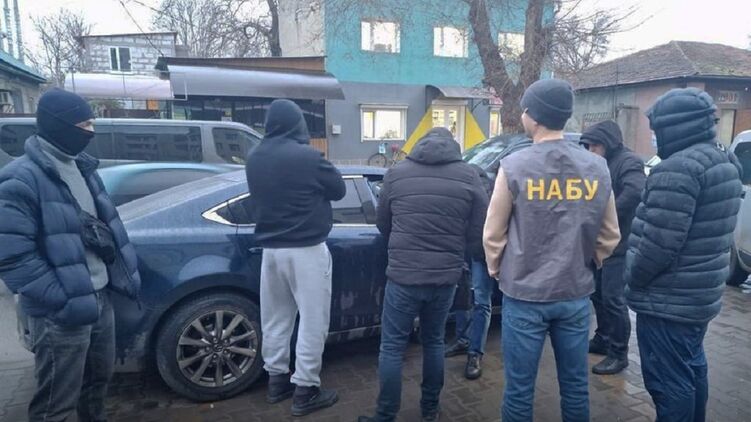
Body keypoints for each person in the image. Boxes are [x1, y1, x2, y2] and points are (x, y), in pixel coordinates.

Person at [483, 79, 621, 421]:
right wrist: (588, 263)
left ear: (534, 116)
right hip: (575, 292)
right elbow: (609, 234)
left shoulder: (514, 165)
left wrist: (499, 270)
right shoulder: (597, 166)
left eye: (524, 109)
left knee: (519, 390)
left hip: (524, 294)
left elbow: (493, 234)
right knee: (575, 386)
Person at [0, 88, 141, 422]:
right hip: (60, 313)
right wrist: (61, 299)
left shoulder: (83, 168)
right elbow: (12, 256)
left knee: (97, 387)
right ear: (58, 125)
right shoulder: (21, 178)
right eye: (84, 124)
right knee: (56, 404)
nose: (90, 131)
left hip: (100, 300)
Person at [625, 88, 742, 422]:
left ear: (674, 127)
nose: (654, 137)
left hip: (668, 301)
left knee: (668, 383)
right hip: (698, 296)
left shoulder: (677, 169)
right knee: (691, 369)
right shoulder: (723, 160)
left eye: (656, 129)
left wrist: (633, 275)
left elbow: (658, 245)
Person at [358, 127, 488, 422]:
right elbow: (478, 228)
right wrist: (458, 251)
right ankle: (430, 410)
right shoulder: (469, 176)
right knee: (434, 341)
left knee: (392, 347)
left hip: (403, 276)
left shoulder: (396, 173)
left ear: (420, 145)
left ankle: (385, 415)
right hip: (445, 278)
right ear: (453, 146)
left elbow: (383, 223)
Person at [245, 99, 346, 417]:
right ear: (297, 124)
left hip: (271, 252)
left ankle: (276, 381)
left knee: (275, 318)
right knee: (313, 321)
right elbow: (339, 190)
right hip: (306, 250)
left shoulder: (254, 157)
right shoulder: (308, 157)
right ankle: (305, 390)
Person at [579, 120, 646, 375]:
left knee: (614, 299)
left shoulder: (629, 162)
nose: (591, 151)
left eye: (594, 146)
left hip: (619, 244)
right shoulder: (600, 162)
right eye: (588, 146)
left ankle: (619, 353)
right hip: (599, 243)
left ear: (607, 143)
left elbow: (635, 192)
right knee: (597, 294)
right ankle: (603, 338)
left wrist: (605, 216)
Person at [444, 164, 499, 381]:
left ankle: (475, 353)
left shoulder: (487, 191)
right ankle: (463, 340)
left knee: (481, 302)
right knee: (463, 297)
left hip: (482, 255)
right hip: (463, 251)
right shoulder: (459, 186)